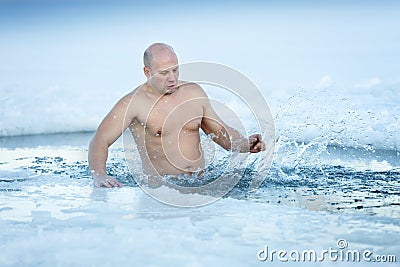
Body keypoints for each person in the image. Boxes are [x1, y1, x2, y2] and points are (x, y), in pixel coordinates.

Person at [88, 43, 265, 188]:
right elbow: (100, 140)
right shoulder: (134, 103)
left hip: (199, 183)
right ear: (147, 72)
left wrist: (244, 144)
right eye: (164, 73)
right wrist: (99, 175)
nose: (172, 78)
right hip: (162, 189)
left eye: (175, 70)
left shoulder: (193, 93)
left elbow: (220, 133)